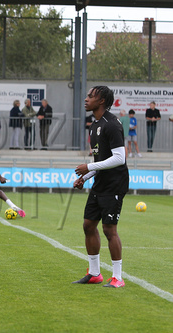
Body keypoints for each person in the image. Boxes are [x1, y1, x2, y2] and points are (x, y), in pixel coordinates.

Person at [73, 85, 128, 288]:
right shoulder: (94, 125)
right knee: (88, 225)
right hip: (100, 182)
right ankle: (95, 273)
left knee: (109, 229)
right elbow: (101, 160)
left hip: (114, 184)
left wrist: (88, 166)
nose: (86, 99)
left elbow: (119, 158)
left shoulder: (112, 124)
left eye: (90, 96)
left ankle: (117, 277)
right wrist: (86, 177)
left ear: (102, 101)